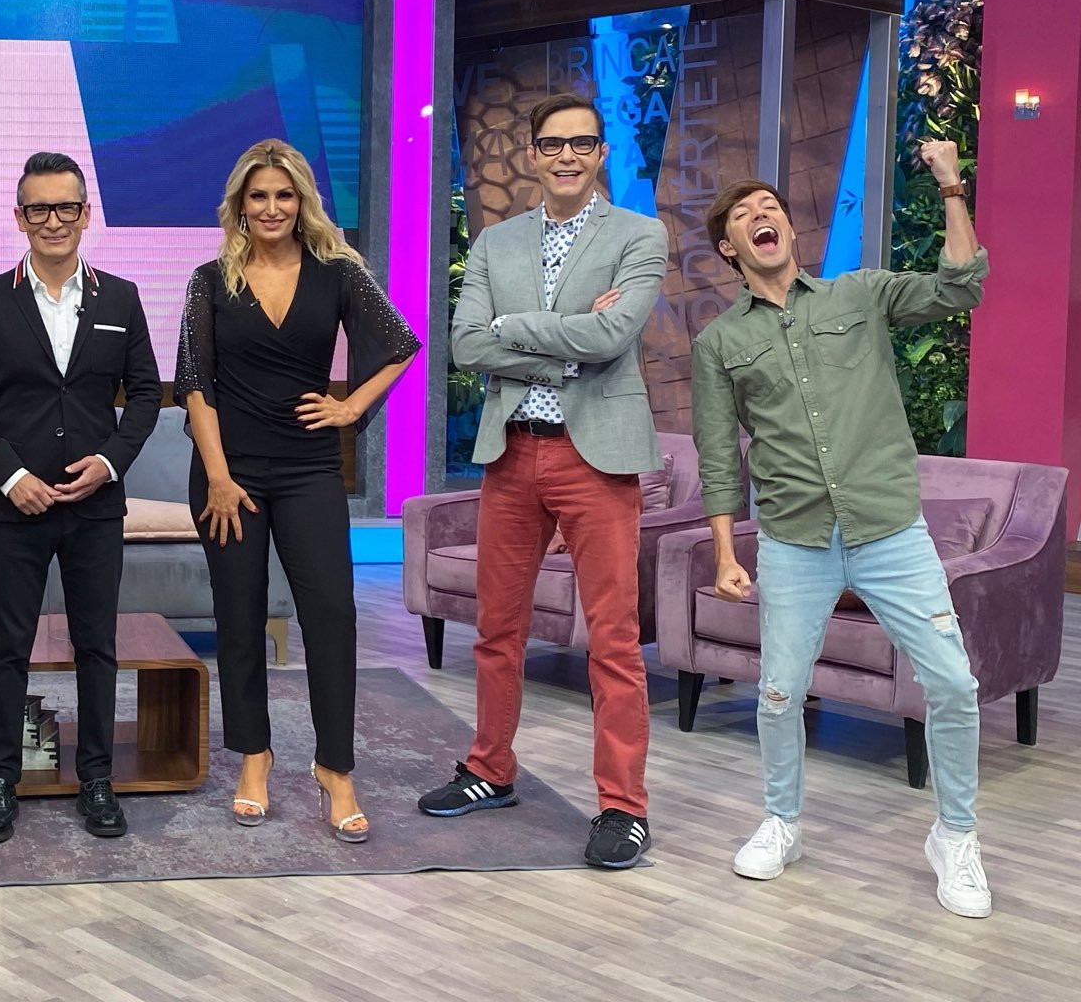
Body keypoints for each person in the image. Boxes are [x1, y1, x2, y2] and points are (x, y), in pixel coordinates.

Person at [690, 141, 991, 917]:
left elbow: (960, 287)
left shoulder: (860, 294)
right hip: (793, 540)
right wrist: (724, 553)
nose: (762, 216)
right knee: (778, 692)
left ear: (790, 230)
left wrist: (951, 186)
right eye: (745, 215)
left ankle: (956, 837)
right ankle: (782, 822)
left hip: (890, 530)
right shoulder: (720, 344)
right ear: (729, 248)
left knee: (952, 684)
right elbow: (718, 456)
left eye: (771, 208)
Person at [416, 92, 670, 870]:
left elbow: (614, 334)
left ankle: (623, 807)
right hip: (513, 452)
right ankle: (491, 769)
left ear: (600, 153)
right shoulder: (496, 242)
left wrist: (514, 329)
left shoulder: (640, 234)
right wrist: (567, 349)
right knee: (498, 629)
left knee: (614, 639)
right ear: (532, 154)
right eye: (552, 144)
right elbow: (465, 345)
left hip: (597, 458)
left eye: (581, 143)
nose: (567, 156)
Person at [175, 138, 418, 841]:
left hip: (309, 467)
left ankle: (335, 768)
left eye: (284, 195)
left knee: (331, 614)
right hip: (229, 472)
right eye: (259, 196)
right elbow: (195, 383)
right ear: (240, 205)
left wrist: (350, 407)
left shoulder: (338, 272)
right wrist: (219, 477)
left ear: (302, 200)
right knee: (240, 616)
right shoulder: (209, 280)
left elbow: (401, 343)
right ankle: (254, 758)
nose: (272, 207)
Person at [0, 151, 162, 844]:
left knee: (97, 646)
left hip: (96, 507)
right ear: (19, 217)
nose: (53, 220)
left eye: (66, 206)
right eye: (38, 208)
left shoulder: (120, 298)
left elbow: (147, 395)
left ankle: (96, 779)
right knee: (8, 648)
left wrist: (110, 462)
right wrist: (12, 477)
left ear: (86, 214)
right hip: (16, 508)